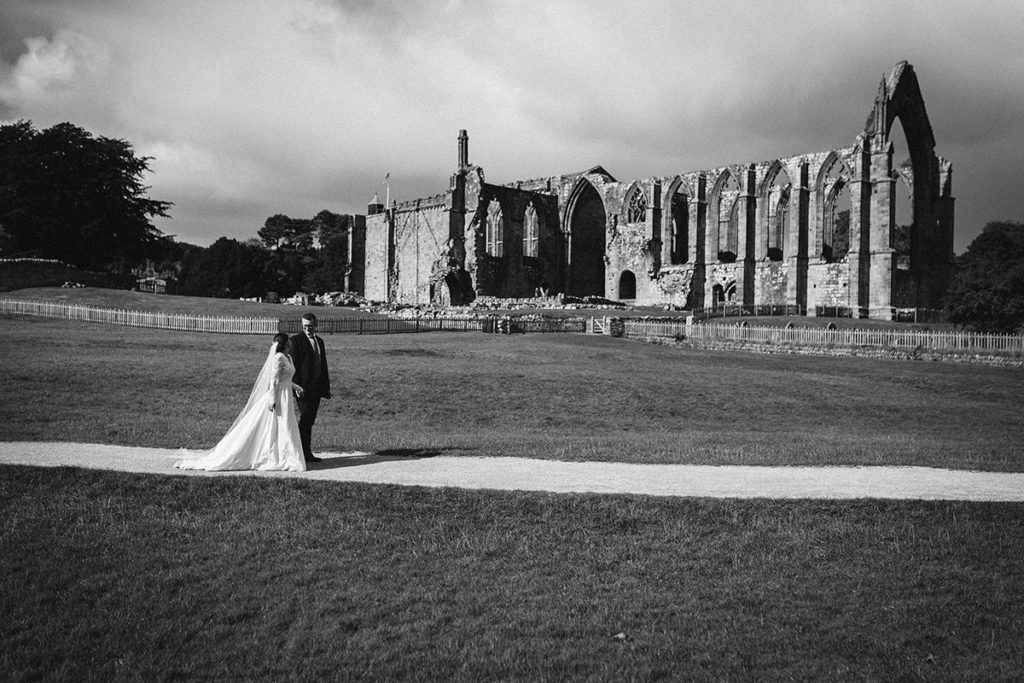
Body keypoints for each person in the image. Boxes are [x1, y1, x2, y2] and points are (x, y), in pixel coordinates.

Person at [175, 333, 306, 472]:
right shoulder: (278, 358)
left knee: (284, 425)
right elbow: (273, 381)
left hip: (285, 396)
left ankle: (284, 455)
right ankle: (281, 456)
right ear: (285, 344)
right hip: (279, 397)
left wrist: (296, 387)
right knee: (280, 425)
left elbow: (284, 379)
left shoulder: (288, 358)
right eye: (289, 341)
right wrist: (273, 400)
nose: (291, 343)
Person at [287, 313, 331, 462]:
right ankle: (302, 453)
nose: (307, 329)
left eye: (310, 326)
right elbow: (294, 367)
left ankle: (305, 452)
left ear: (316, 325)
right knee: (305, 419)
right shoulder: (296, 341)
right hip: (302, 389)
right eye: (305, 326)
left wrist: (325, 387)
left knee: (310, 420)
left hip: (316, 388)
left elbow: (322, 365)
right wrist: (296, 387)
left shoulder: (320, 341)